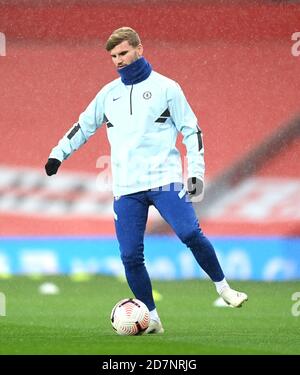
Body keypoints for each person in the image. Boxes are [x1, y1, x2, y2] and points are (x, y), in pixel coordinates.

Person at [45, 27, 248, 334]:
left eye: (123, 53)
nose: (118, 61)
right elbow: (82, 127)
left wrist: (195, 173)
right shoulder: (108, 94)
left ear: (139, 49)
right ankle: (151, 317)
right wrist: (58, 155)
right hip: (126, 188)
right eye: (113, 56)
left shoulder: (168, 88)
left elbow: (191, 131)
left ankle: (224, 288)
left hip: (164, 181)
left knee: (189, 233)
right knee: (129, 255)